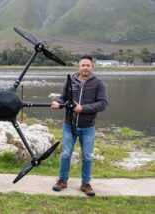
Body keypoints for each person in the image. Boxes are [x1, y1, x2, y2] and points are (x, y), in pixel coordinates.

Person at [51, 55, 108, 196]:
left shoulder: (98, 83)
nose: (85, 68)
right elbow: (62, 97)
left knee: (87, 156)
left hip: (88, 126)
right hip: (69, 125)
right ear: (79, 66)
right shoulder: (70, 81)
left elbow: (103, 104)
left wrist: (83, 109)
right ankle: (62, 180)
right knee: (65, 154)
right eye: (83, 65)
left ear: (92, 67)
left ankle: (86, 183)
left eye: (88, 65)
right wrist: (58, 103)